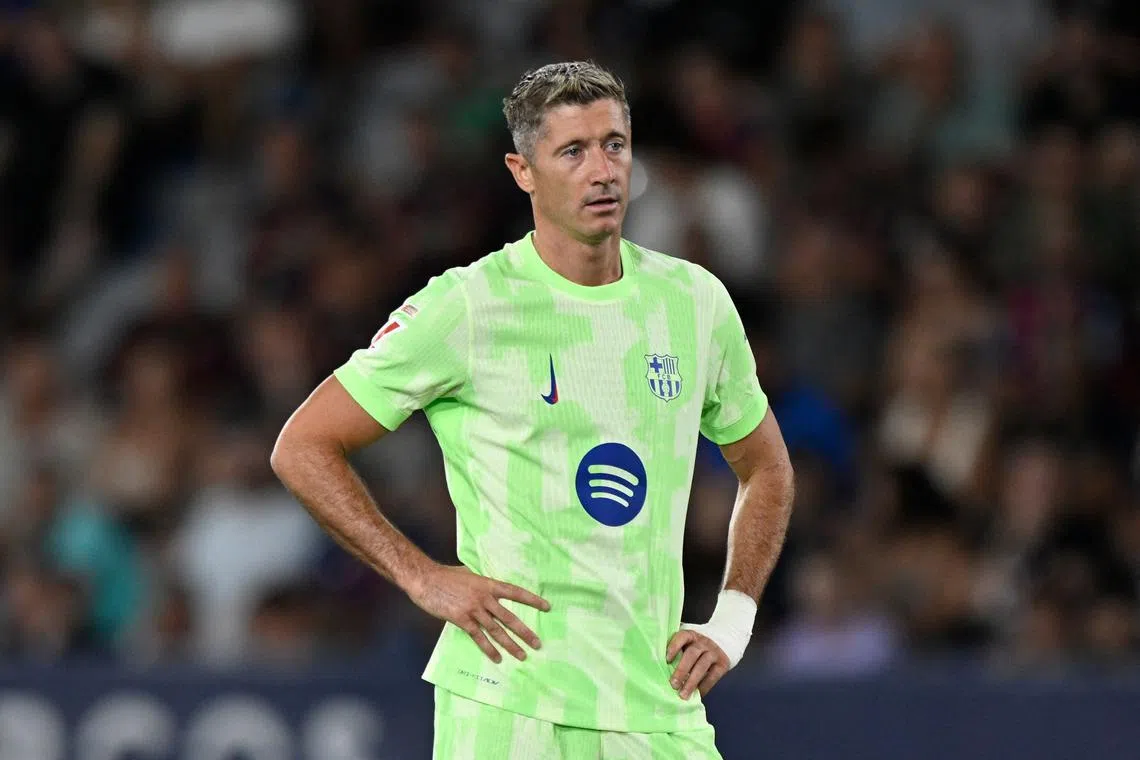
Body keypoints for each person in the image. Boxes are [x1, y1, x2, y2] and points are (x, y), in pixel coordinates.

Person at [271, 60, 795, 759]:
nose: (602, 170)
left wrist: (734, 617)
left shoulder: (693, 303)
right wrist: (420, 575)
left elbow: (766, 466)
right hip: (511, 703)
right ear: (523, 171)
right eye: (572, 152)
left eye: (615, 144)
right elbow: (302, 445)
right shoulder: (467, 305)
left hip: (656, 706)